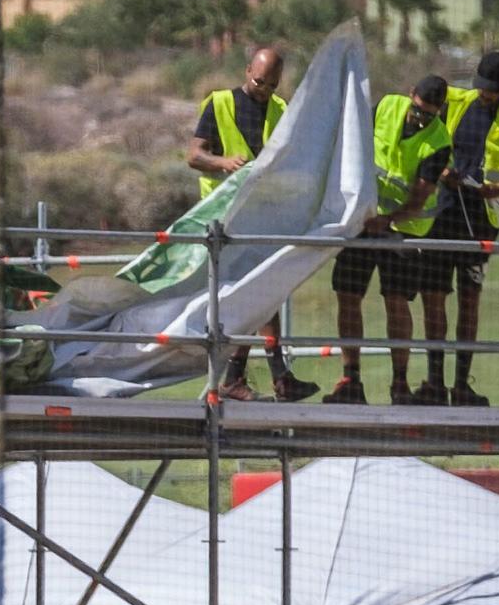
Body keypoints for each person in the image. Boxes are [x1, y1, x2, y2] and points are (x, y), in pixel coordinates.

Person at [186, 47, 319, 402]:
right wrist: (223, 162)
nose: (263, 90)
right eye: (259, 81)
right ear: (247, 71)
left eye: (271, 85)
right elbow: (194, 155)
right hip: (225, 221)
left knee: (264, 293)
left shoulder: (280, 110)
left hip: (262, 216)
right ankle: (269, 376)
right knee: (256, 295)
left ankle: (252, 377)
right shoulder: (220, 104)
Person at [417, 50, 499, 406]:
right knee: (434, 297)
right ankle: (435, 382)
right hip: (442, 213)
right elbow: (420, 140)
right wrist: (438, 170)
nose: (485, 95)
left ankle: (461, 384)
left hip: (481, 222)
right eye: (481, 88)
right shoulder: (453, 101)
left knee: (469, 300)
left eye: (492, 90)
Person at [323, 76, 451, 405]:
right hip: (364, 220)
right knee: (347, 294)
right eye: (418, 110)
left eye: (428, 115)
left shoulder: (438, 142)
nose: (420, 119)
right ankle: (351, 379)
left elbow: (419, 199)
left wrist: (389, 220)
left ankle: (400, 384)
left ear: (439, 112)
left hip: (402, 230)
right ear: (410, 95)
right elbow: (354, 142)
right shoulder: (388, 106)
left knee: (397, 301)